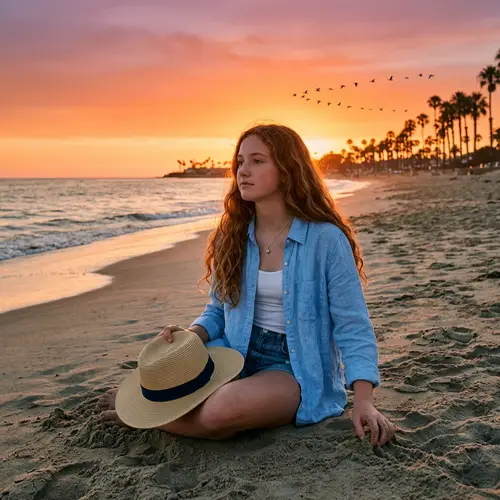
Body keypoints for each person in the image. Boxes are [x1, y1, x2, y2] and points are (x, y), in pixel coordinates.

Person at [99, 124, 396, 446]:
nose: (243, 171)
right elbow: (218, 308)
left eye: (257, 161)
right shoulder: (235, 236)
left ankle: (147, 421)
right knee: (175, 383)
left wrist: (364, 400)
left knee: (220, 411)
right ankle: (153, 411)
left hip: (291, 367)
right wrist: (191, 335)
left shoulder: (325, 240)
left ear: (287, 169)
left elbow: (352, 324)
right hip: (232, 349)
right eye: (240, 162)